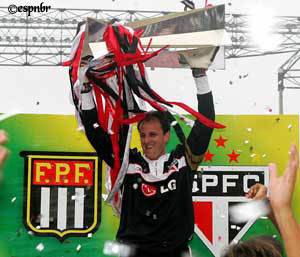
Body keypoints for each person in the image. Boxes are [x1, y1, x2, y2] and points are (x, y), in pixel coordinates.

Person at [80, 68, 215, 257]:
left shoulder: (183, 161)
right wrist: (85, 88)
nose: (146, 140)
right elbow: (95, 133)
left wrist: (200, 74)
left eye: (153, 135)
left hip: (174, 251)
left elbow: (206, 123)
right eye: (142, 135)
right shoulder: (128, 163)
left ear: (166, 136)